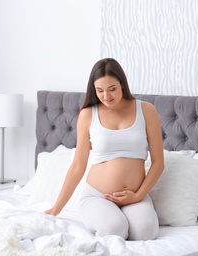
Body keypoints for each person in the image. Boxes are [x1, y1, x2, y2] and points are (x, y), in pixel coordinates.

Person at [45, 58, 164, 241]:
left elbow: (158, 163)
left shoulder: (146, 110)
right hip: (97, 196)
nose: (106, 96)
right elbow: (78, 165)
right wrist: (56, 208)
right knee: (114, 229)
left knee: (146, 232)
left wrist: (138, 195)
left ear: (122, 85)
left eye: (112, 89)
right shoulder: (88, 114)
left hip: (135, 195)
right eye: (99, 90)